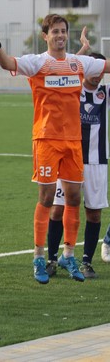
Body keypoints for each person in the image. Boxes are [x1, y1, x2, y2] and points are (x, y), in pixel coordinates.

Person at [0, 15, 109, 284]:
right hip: (46, 139)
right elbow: (7, 63)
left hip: (74, 142)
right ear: (45, 36)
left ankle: (68, 254)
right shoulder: (38, 62)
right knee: (47, 197)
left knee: (74, 198)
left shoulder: (79, 62)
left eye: (63, 31)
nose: (60, 35)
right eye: (55, 31)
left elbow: (107, 66)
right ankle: (39, 256)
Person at [47, 50, 108, 279]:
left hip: (97, 162)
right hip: (69, 158)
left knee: (93, 213)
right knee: (58, 208)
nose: (98, 74)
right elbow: (62, 65)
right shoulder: (73, 88)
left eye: (102, 70)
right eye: (95, 69)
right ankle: (53, 259)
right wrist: (80, 52)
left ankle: (86, 262)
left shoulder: (105, 93)